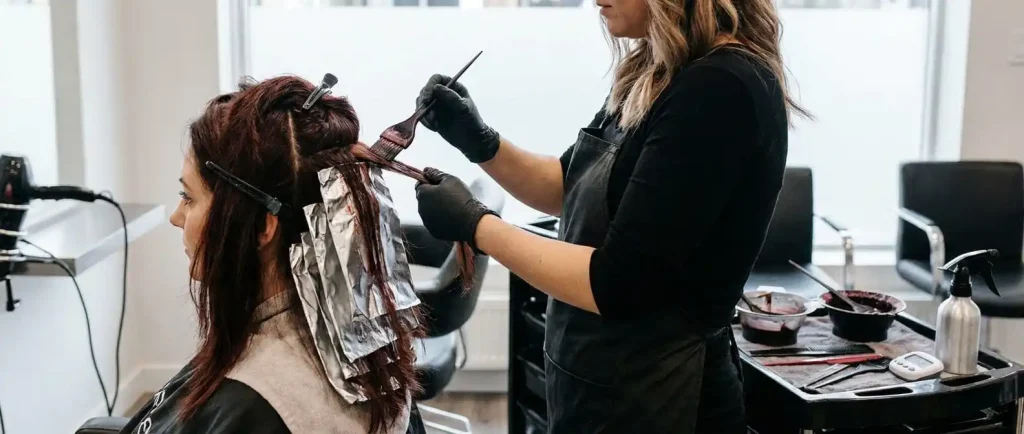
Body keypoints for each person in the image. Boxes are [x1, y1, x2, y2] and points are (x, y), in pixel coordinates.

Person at [412, 0, 809, 432]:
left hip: (660, 394)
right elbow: (568, 185)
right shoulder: (659, 70)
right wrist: (476, 138)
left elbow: (618, 282)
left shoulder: (721, 88)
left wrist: (476, 225)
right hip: (599, 381)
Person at [120, 76, 429, 434]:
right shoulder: (366, 344)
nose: (176, 218)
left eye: (189, 198)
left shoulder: (256, 408)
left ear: (260, 229)